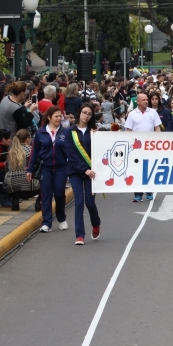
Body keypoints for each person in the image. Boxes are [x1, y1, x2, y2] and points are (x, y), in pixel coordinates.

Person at [27, 106, 68, 233]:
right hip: (45, 167)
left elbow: (71, 150)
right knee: (45, 195)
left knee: (60, 193)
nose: (58, 118)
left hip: (61, 168)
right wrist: (30, 169)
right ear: (49, 117)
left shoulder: (65, 132)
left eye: (60, 116)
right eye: (56, 116)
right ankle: (47, 222)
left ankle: (61, 218)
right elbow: (34, 152)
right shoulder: (40, 133)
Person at [65, 103, 101, 245]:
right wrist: (83, 169)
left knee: (90, 203)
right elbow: (70, 153)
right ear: (79, 113)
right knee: (79, 202)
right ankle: (79, 235)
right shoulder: (69, 131)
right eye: (84, 112)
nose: (86, 116)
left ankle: (96, 223)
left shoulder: (94, 132)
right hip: (75, 171)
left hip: (91, 172)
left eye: (89, 114)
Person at [125, 94, 162, 202]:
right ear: (138, 102)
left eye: (147, 99)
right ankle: (138, 194)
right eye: (143, 100)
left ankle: (149, 192)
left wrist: (158, 141)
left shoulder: (153, 112)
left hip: (150, 147)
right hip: (136, 148)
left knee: (149, 169)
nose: (146, 101)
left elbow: (157, 127)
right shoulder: (132, 115)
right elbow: (128, 131)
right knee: (137, 170)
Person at [4, 129, 40, 211]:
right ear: (27, 139)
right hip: (31, 187)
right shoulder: (31, 150)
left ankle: (15, 200)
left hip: (12, 188)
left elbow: (6, 168)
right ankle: (38, 203)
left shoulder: (11, 152)